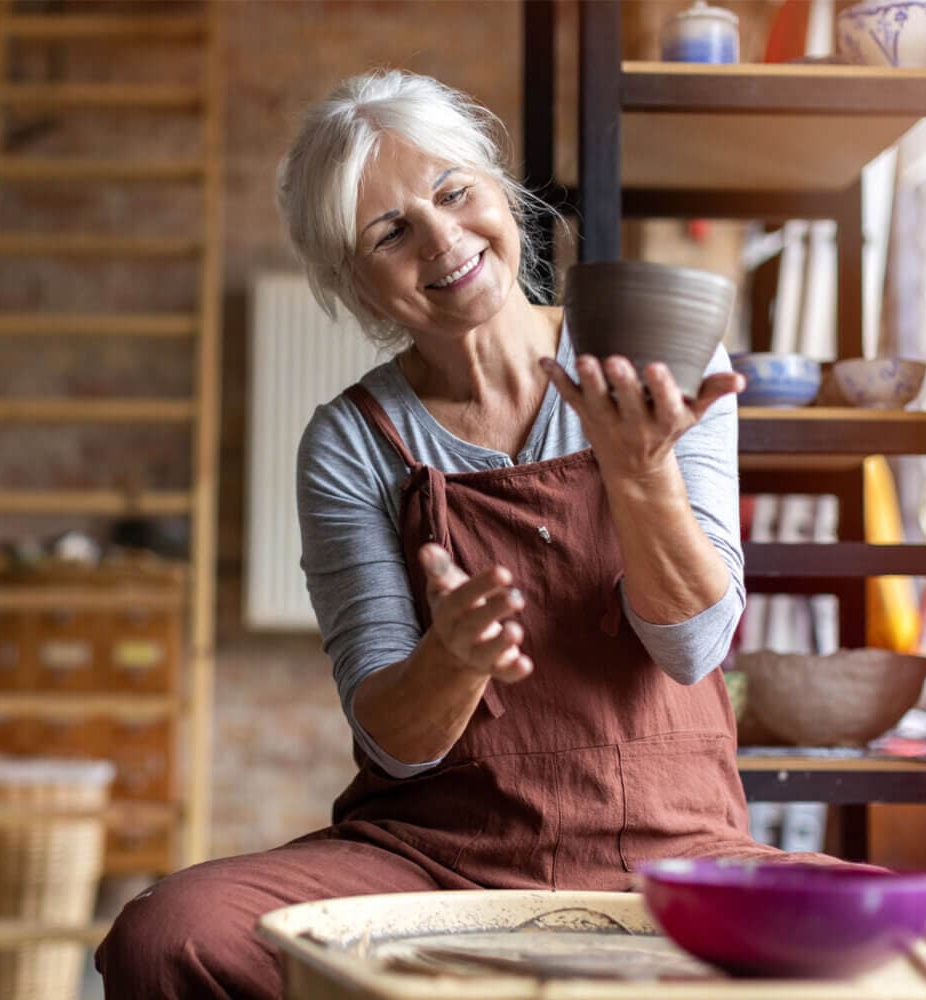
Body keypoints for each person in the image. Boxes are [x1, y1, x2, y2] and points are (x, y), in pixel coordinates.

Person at [96, 69, 852, 1000]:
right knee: (170, 933)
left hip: (676, 849)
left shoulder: (653, 355)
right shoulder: (351, 441)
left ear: (501, 191)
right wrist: (452, 658)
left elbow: (694, 645)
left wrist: (642, 473)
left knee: (901, 939)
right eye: (391, 232)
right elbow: (397, 743)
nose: (444, 239)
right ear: (353, 282)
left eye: (456, 192)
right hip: (437, 860)